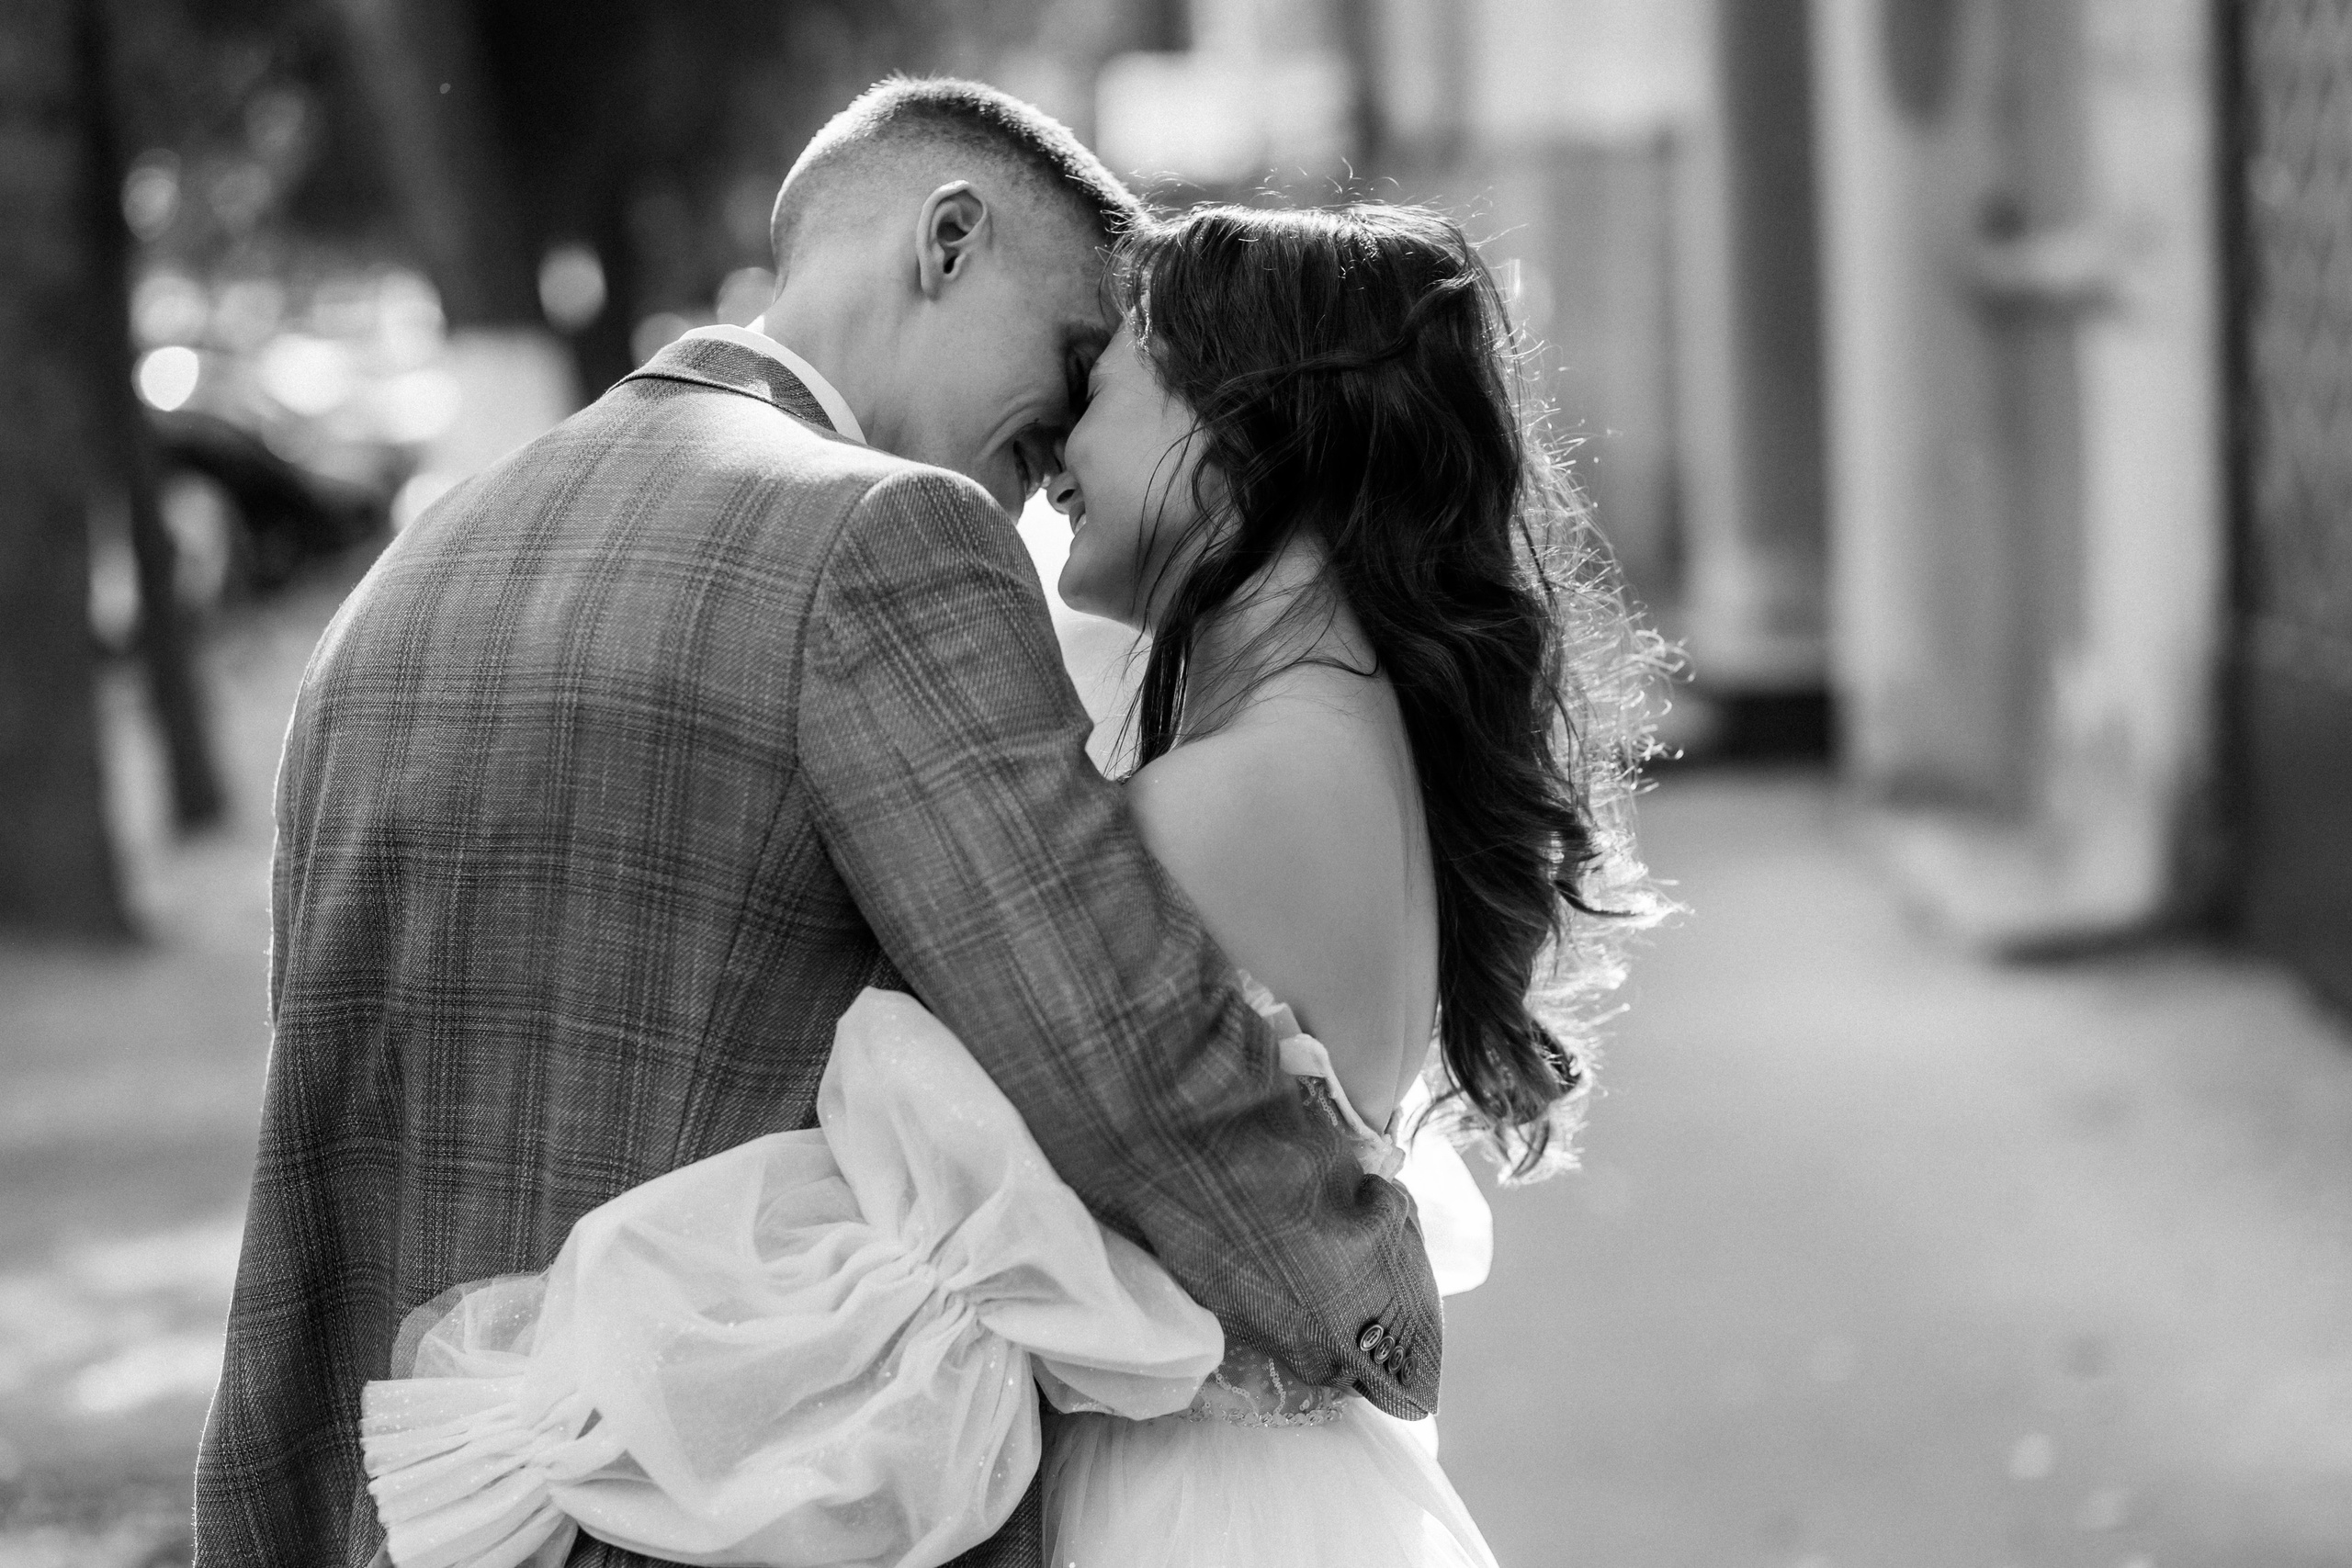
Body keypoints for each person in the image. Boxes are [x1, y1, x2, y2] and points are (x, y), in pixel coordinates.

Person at [193, 78, 1443, 1568]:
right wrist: (1372, 1296)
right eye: (1071, 360)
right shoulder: (883, 538)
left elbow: (314, 1164)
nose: (1058, 457)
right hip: (708, 1520)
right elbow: (1117, 1048)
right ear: (948, 242)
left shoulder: (409, 576)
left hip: (403, 1514)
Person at [350, 201, 1659, 1567]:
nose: (1058, 455)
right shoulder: (1347, 749)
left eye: (1106, 386)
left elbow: (956, 1232)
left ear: (1240, 427)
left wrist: (564, 1420)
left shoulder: (1219, 800)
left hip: (1173, 1511)